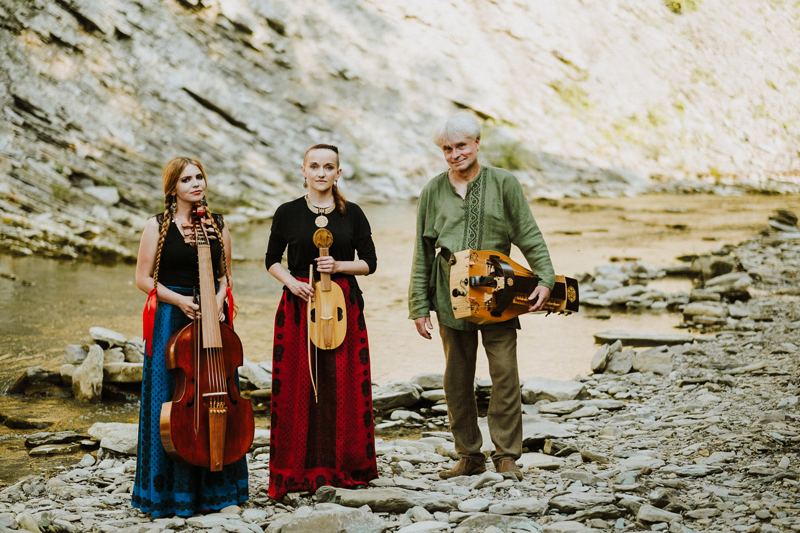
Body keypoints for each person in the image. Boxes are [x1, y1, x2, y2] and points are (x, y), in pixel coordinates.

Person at [408, 112, 555, 480]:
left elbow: (528, 234)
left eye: (461, 145)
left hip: (499, 293)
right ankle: (469, 456)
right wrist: (418, 305)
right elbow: (422, 252)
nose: (455, 154)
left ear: (476, 143)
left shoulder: (504, 183)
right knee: (456, 378)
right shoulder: (432, 191)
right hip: (448, 295)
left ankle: (506, 455)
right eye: (447, 148)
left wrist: (546, 280)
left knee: (504, 374)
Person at [132, 157, 248, 516]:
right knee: (170, 397)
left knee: (217, 390)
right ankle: (168, 494)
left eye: (199, 177)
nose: (196, 184)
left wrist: (216, 301)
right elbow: (143, 279)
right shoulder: (157, 225)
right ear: (173, 188)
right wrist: (179, 299)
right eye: (187, 180)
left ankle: (220, 489)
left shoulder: (219, 225)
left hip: (213, 316)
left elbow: (226, 276)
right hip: (172, 317)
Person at [265, 144, 379, 499]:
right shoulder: (286, 212)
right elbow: (271, 260)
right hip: (300, 303)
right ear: (303, 170)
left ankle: (347, 466)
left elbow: (370, 262)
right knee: (298, 385)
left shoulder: (353, 213)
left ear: (338, 173)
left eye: (328, 167)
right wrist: (292, 283)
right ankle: (295, 470)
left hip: (343, 304)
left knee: (343, 385)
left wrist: (340, 266)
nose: (321, 173)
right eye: (314, 166)